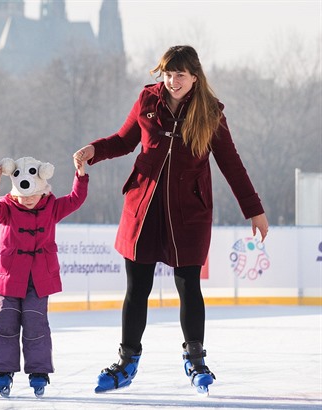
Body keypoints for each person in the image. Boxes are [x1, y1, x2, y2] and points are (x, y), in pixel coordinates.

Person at [73, 45, 269, 395]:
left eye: (180, 74)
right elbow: (123, 140)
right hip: (143, 208)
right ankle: (126, 360)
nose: (172, 81)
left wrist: (253, 208)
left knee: (188, 285)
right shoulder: (148, 101)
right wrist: (94, 150)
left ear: (195, 76)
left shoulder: (210, 115)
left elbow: (231, 164)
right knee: (137, 288)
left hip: (188, 213)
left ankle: (195, 358)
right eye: (167, 73)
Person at [0, 156, 89, 398]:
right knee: (4, 323)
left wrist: (80, 176)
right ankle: (3, 370)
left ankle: (39, 372)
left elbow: (76, 199)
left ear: (43, 190)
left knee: (36, 325)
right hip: (9, 277)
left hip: (39, 279)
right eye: (23, 196)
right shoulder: (7, 208)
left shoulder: (52, 208)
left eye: (32, 195)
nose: (28, 199)